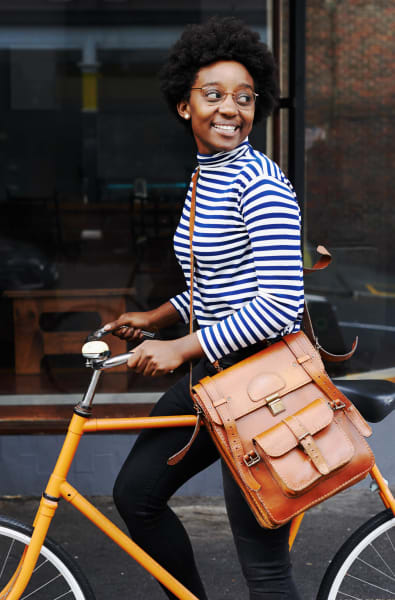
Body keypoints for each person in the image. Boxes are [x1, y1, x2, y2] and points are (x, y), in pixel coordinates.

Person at [105, 16, 304, 600]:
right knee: (136, 497)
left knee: (264, 567)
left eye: (244, 98)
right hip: (209, 375)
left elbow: (278, 306)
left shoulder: (259, 183)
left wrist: (180, 346)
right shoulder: (206, 179)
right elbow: (221, 283)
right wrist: (158, 317)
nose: (230, 109)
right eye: (213, 95)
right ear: (183, 106)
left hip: (261, 386)